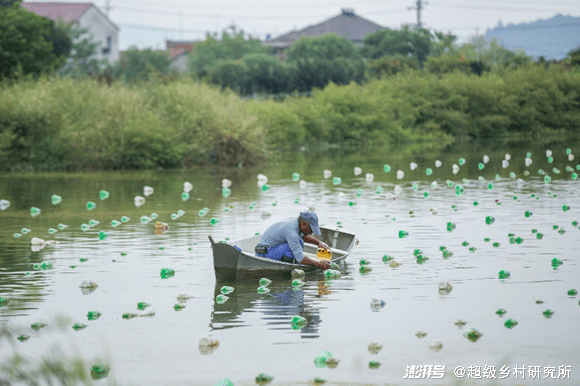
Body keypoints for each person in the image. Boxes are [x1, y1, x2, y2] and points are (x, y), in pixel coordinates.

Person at [255, 211, 331, 270]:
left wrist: (318, 243)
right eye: (311, 229)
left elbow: (303, 237)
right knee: (290, 247)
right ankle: (287, 264)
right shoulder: (291, 233)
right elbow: (300, 257)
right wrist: (318, 264)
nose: (311, 233)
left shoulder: (295, 222)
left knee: (300, 241)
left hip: (271, 248)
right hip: (265, 253)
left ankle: (289, 260)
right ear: (303, 223)